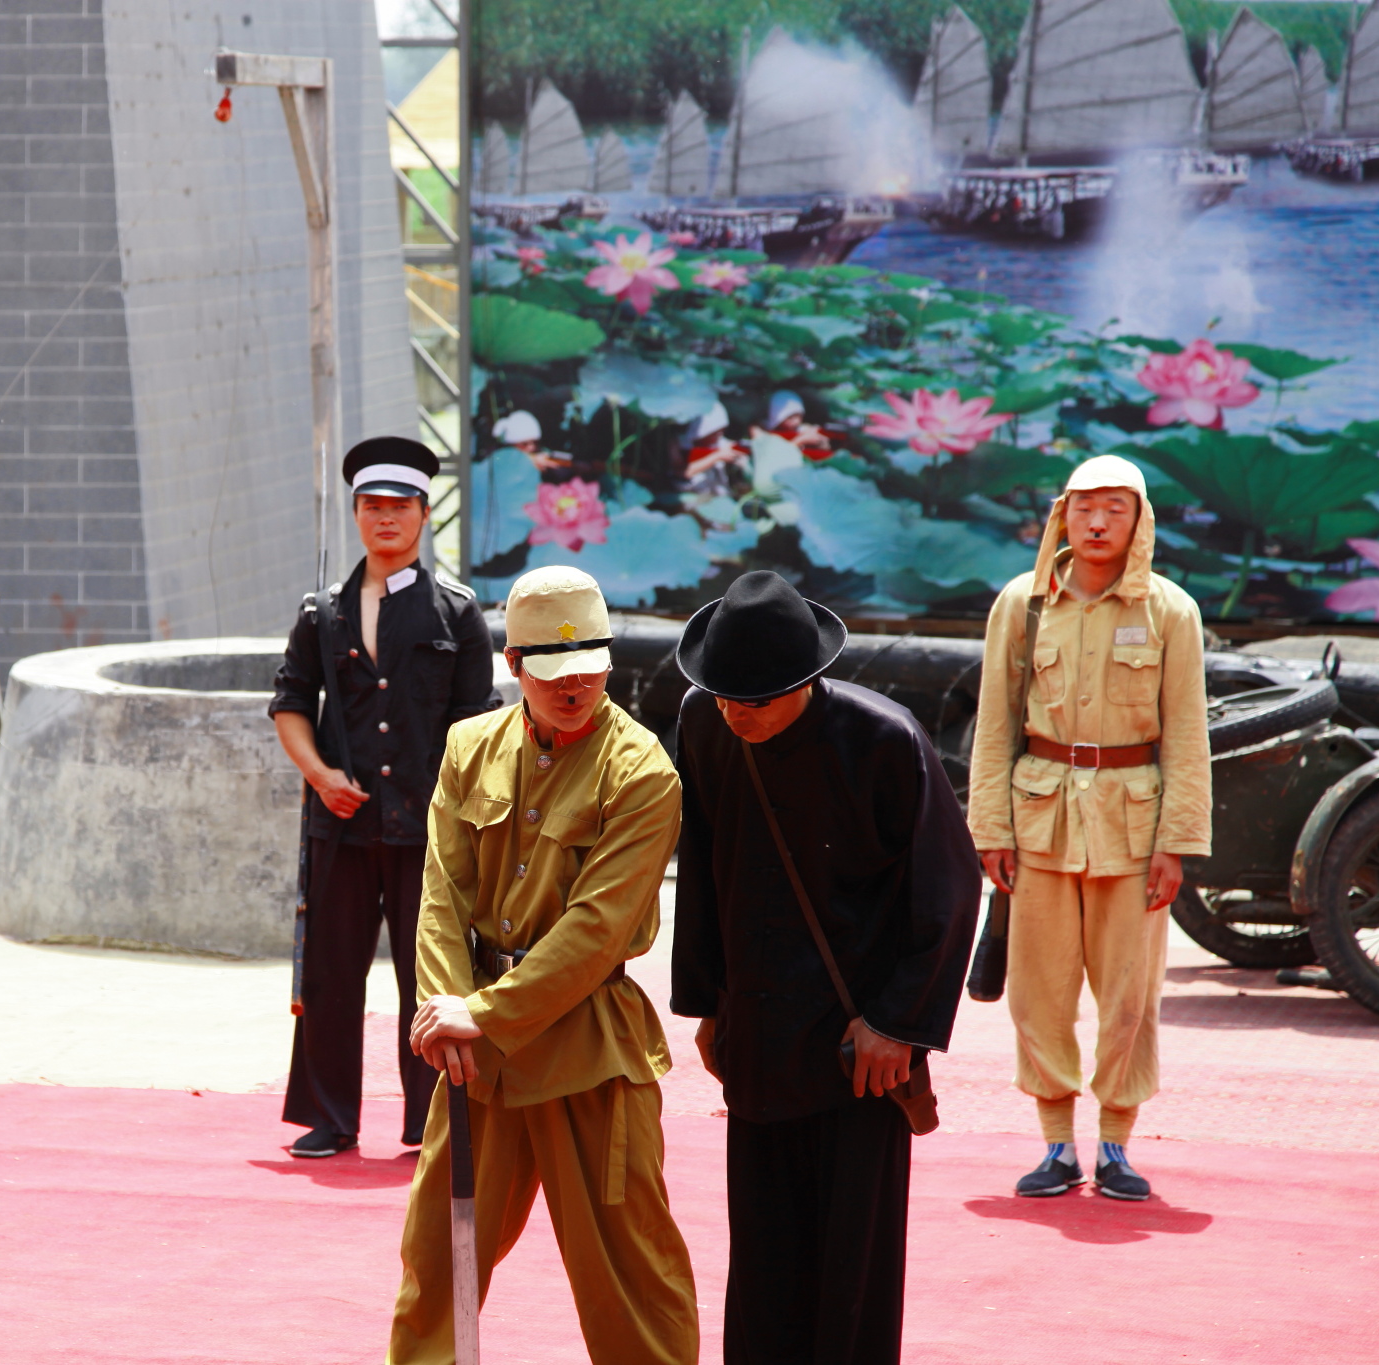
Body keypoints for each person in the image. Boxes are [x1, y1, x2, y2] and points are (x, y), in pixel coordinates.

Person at [390, 566, 698, 1365]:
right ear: (514, 663)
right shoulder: (470, 747)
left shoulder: (641, 772)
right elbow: (442, 894)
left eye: (590, 667)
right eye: (555, 672)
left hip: (587, 1052)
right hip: (475, 1057)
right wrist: (445, 1009)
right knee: (436, 1262)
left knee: (629, 1274)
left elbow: (597, 931)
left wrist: (482, 1014)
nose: (575, 687)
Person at [669, 571, 978, 1365]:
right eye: (724, 694)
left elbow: (948, 887)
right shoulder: (703, 723)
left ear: (805, 681)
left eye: (756, 699)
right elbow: (700, 865)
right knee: (762, 1265)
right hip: (758, 1034)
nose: (737, 712)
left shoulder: (885, 739)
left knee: (852, 1275)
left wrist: (898, 1023)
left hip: (858, 1048)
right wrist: (708, 1003)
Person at [968, 455, 1211, 1201]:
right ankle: (1055, 1146)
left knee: (1130, 996)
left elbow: (1186, 735)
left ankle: (1114, 1145)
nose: (1097, 523)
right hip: (1039, 820)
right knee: (1037, 992)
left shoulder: (1170, 610)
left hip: (1134, 830)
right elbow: (995, 721)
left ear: (1140, 521)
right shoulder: (1023, 603)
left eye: (1114, 509)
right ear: (1061, 516)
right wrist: (990, 828)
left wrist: (1176, 843)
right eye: (1084, 508)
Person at [270, 436, 500, 1158]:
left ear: (425, 515)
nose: (385, 518)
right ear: (356, 516)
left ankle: (429, 1119)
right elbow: (289, 703)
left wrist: (462, 814)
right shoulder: (322, 612)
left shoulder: (455, 613)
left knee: (429, 975)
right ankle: (329, 1116)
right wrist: (320, 775)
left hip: (429, 830)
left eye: (400, 507)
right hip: (339, 825)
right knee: (330, 975)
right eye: (371, 506)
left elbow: (478, 722)